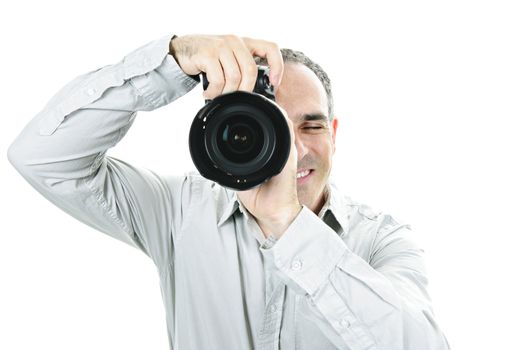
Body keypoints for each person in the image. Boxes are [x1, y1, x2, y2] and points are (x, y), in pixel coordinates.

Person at [7, 33, 450, 350]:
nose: (293, 150)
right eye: (267, 128)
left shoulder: (382, 239)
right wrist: (170, 63)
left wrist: (289, 223)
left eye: (311, 125)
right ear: (226, 131)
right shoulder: (180, 211)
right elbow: (42, 156)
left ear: (333, 134)